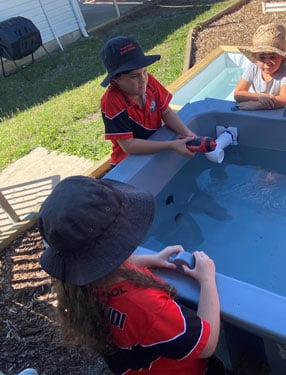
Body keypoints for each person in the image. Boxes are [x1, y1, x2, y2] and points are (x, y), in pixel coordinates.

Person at [37, 176, 221, 374]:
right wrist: (207, 280)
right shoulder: (148, 308)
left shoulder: (77, 286)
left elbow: (102, 270)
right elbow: (207, 345)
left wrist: (149, 260)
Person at [100, 36, 197, 166]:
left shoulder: (149, 81)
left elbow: (166, 112)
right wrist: (171, 145)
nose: (143, 80)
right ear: (116, 79)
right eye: (134, 76)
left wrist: (188, 134)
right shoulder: (112, 101)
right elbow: (129, 146)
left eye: (145, 71)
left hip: (155, 145)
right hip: (127, 162)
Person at [234, 23, 286, 110]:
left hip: (282, 112)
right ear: (255, 57)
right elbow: (238, 93)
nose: (267, 63)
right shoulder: (253, 68)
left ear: (281, 58)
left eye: (273, 57)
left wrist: (258, 105)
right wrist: (260, 97)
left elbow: (285, 100)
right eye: (262, 58)